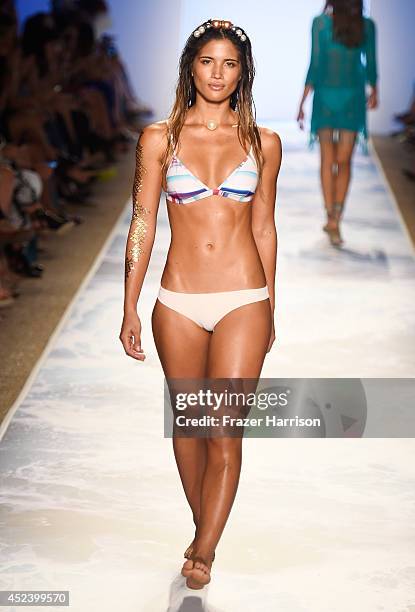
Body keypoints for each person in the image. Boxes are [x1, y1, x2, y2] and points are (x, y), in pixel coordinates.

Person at [119, 18, 282, 590]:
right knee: (189, 425)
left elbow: (264, 229)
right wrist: (130, 305)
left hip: (243, 297)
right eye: (208, 61)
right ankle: (203, 522)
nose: (218, 73)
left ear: (243, 73)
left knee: (224, 431)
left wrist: (270, 305)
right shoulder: (158, 139)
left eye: (229, 63)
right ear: (191, 66)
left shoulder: (263, 143)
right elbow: (142, 222)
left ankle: (205, 549)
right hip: (178, 301)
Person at [297, 0, 378, 246]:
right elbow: (315, 62)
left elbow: (371, 60)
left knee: (342, 160)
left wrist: (374, 89)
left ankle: (336, 215)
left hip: (351, 98)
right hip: (325, 97)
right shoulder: (319, 24)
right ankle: (331, 216)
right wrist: (302, 101)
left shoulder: (366, 25)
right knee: (330, 159)